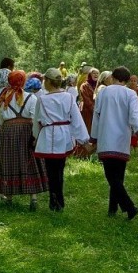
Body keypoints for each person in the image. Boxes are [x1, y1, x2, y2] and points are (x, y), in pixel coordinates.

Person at [33, 68, 91, 211]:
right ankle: (58, 200)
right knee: (59, 169)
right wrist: (83, 140)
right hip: (63, 135)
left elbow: (37, 121)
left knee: (51, 171)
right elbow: (76, 120)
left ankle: (55, 200)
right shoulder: (68, 97)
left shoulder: (42, 99)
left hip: (48, 136)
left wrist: (35, 137)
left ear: (47, 81)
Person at [91, 66, 138, 219]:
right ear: (127, 81)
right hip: (122, 139)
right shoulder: (131, 94)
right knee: (118, 176)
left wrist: (93, 137)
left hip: (107, 138)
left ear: (113, 77)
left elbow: (97, 115)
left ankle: (129, 207)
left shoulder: (103, 92)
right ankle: (113, 208)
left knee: (111, 177)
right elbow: (135, 116)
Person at [0, 70, 48, 210]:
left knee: (9, 161)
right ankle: (33, 198)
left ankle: (9, 197)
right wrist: (35, 136)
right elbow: (35, 118)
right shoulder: (31, 98)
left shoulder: (3, 98)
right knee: (29, 161)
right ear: (23, 81)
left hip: (8, 132)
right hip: (26, 131)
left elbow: (0, 120)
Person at [79, 67, 99, 133]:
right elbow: (86, 99)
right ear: (90, 74)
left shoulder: (99, 86)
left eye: (97, 73)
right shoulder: (84, 86)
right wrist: (94, 110)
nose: (96, 75)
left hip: (98, 112)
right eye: (94, 73)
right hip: (88, 112)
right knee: (88, 131)